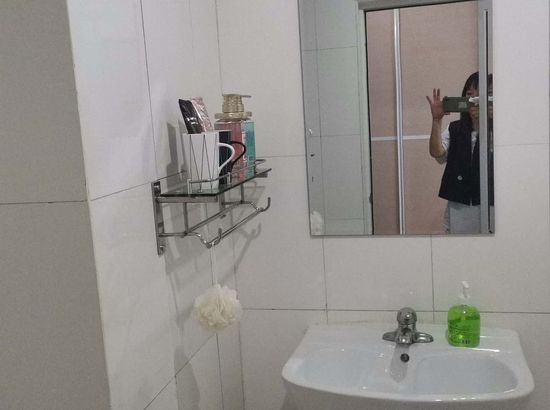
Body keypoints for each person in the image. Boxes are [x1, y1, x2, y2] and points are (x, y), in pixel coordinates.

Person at [426, 72, 492, 233]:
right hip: (459, 204)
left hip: (492, 203)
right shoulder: (455, 128)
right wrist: (436, 120)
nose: (475, 99)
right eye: (470, 94)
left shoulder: (503, 130)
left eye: (484, 94)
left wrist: (489, 121)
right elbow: (437, 153)